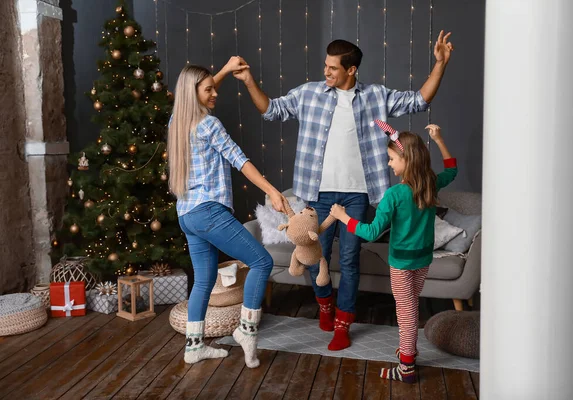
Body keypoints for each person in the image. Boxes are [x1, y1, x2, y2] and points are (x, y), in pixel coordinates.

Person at [233, 31, 455, 351]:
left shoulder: (376, 97)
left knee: (350, 260)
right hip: (318, 194)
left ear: (351, 70)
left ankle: (342, 323)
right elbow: (271, 109)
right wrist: (249, 80)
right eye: (325, 66)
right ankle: (324, 303)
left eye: (333, 68)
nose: (326, 72)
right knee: (313, 256)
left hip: (357, 195)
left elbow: (420, 99)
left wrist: (440, 64)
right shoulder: (310, 94)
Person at [167, 58, 288, 368]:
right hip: (208, 211)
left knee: (204, 280)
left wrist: (220, 71)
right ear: (195, 94)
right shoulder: (209, 124)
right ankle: (246, 330)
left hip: (187, 215)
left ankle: (193, 347)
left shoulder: (176, 123)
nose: (215, 93)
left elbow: (192, 93)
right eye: (209, 90)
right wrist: (273, 191)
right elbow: (240, 160)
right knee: (262, 261)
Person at [329, 123, 457, 383]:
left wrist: (343, 218)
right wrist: (440, 139)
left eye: (391, 159)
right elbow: (452, 170)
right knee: (410, 305)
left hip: (401, 263)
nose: (389, 164)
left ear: (406, 160)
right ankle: (408, 349)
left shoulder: (395, 194)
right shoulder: (430, 183)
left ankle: (406, 367)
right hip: (423, 260)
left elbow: (371, 232)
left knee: (406, 314)